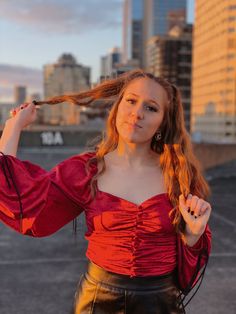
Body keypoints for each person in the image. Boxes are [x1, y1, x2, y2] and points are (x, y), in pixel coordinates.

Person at [0, 69, 212, 314]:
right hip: (97, 301)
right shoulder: (86, 171)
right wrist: (13, 126)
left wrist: (193, 236)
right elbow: (19, 199)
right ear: (118, 107)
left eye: (151, 108)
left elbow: (190, 268)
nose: (137, 113)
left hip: (161, 303)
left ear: (163, 121)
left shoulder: (180, 176)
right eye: (131, 101)